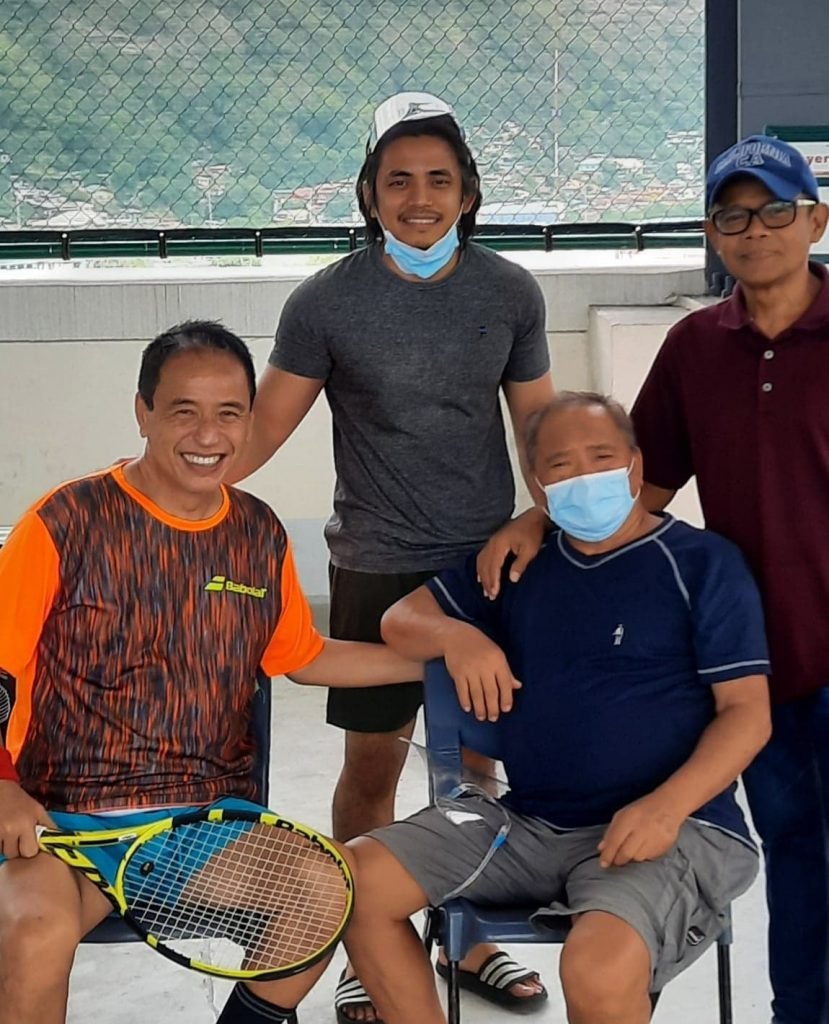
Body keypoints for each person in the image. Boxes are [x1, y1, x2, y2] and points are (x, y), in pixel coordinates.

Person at [0, 320, 454, 1024]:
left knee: (322, 900)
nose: (206, 435)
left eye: (228, 414)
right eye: (183, 411)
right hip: (60, 825)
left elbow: (302, 657)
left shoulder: (256, 532)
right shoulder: (64, 521)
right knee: (31, 934)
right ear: (143, 413)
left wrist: (439, 662)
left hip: (204, 821)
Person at [230, 92, 554, 1019]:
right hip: (374, 561)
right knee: (373, 770)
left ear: (468, 192)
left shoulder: (507, 292)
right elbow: (259, 432)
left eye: (439, 180)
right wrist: (158, 492)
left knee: (480, 771)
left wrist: (547, 519)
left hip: (486, 569)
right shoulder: (326, 302)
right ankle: (363, 948)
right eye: (398, 180)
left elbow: (538, 430)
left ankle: (469, 934)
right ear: (368, 194)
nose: (420, 198)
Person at [344, 391, 771, 1024]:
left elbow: (747, 713)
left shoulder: (701, 564)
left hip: (674, 824)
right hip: (532, 824)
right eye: (562, 466)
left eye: (601, 458)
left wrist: (666, 806)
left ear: (634, 465)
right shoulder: (519, 566)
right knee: (352, 883)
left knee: (596, 966)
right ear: (537, 488)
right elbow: (400, 620)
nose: (585, 477)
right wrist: (458, 636)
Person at [630, 137, 829, 1024]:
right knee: (796, 851)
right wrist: (537, 520)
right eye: (732, 216)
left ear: (815, 219)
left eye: (775, 209)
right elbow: (642, 490)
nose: (755, 231)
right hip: (765, 660)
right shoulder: (693, 347)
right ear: (713, 234)